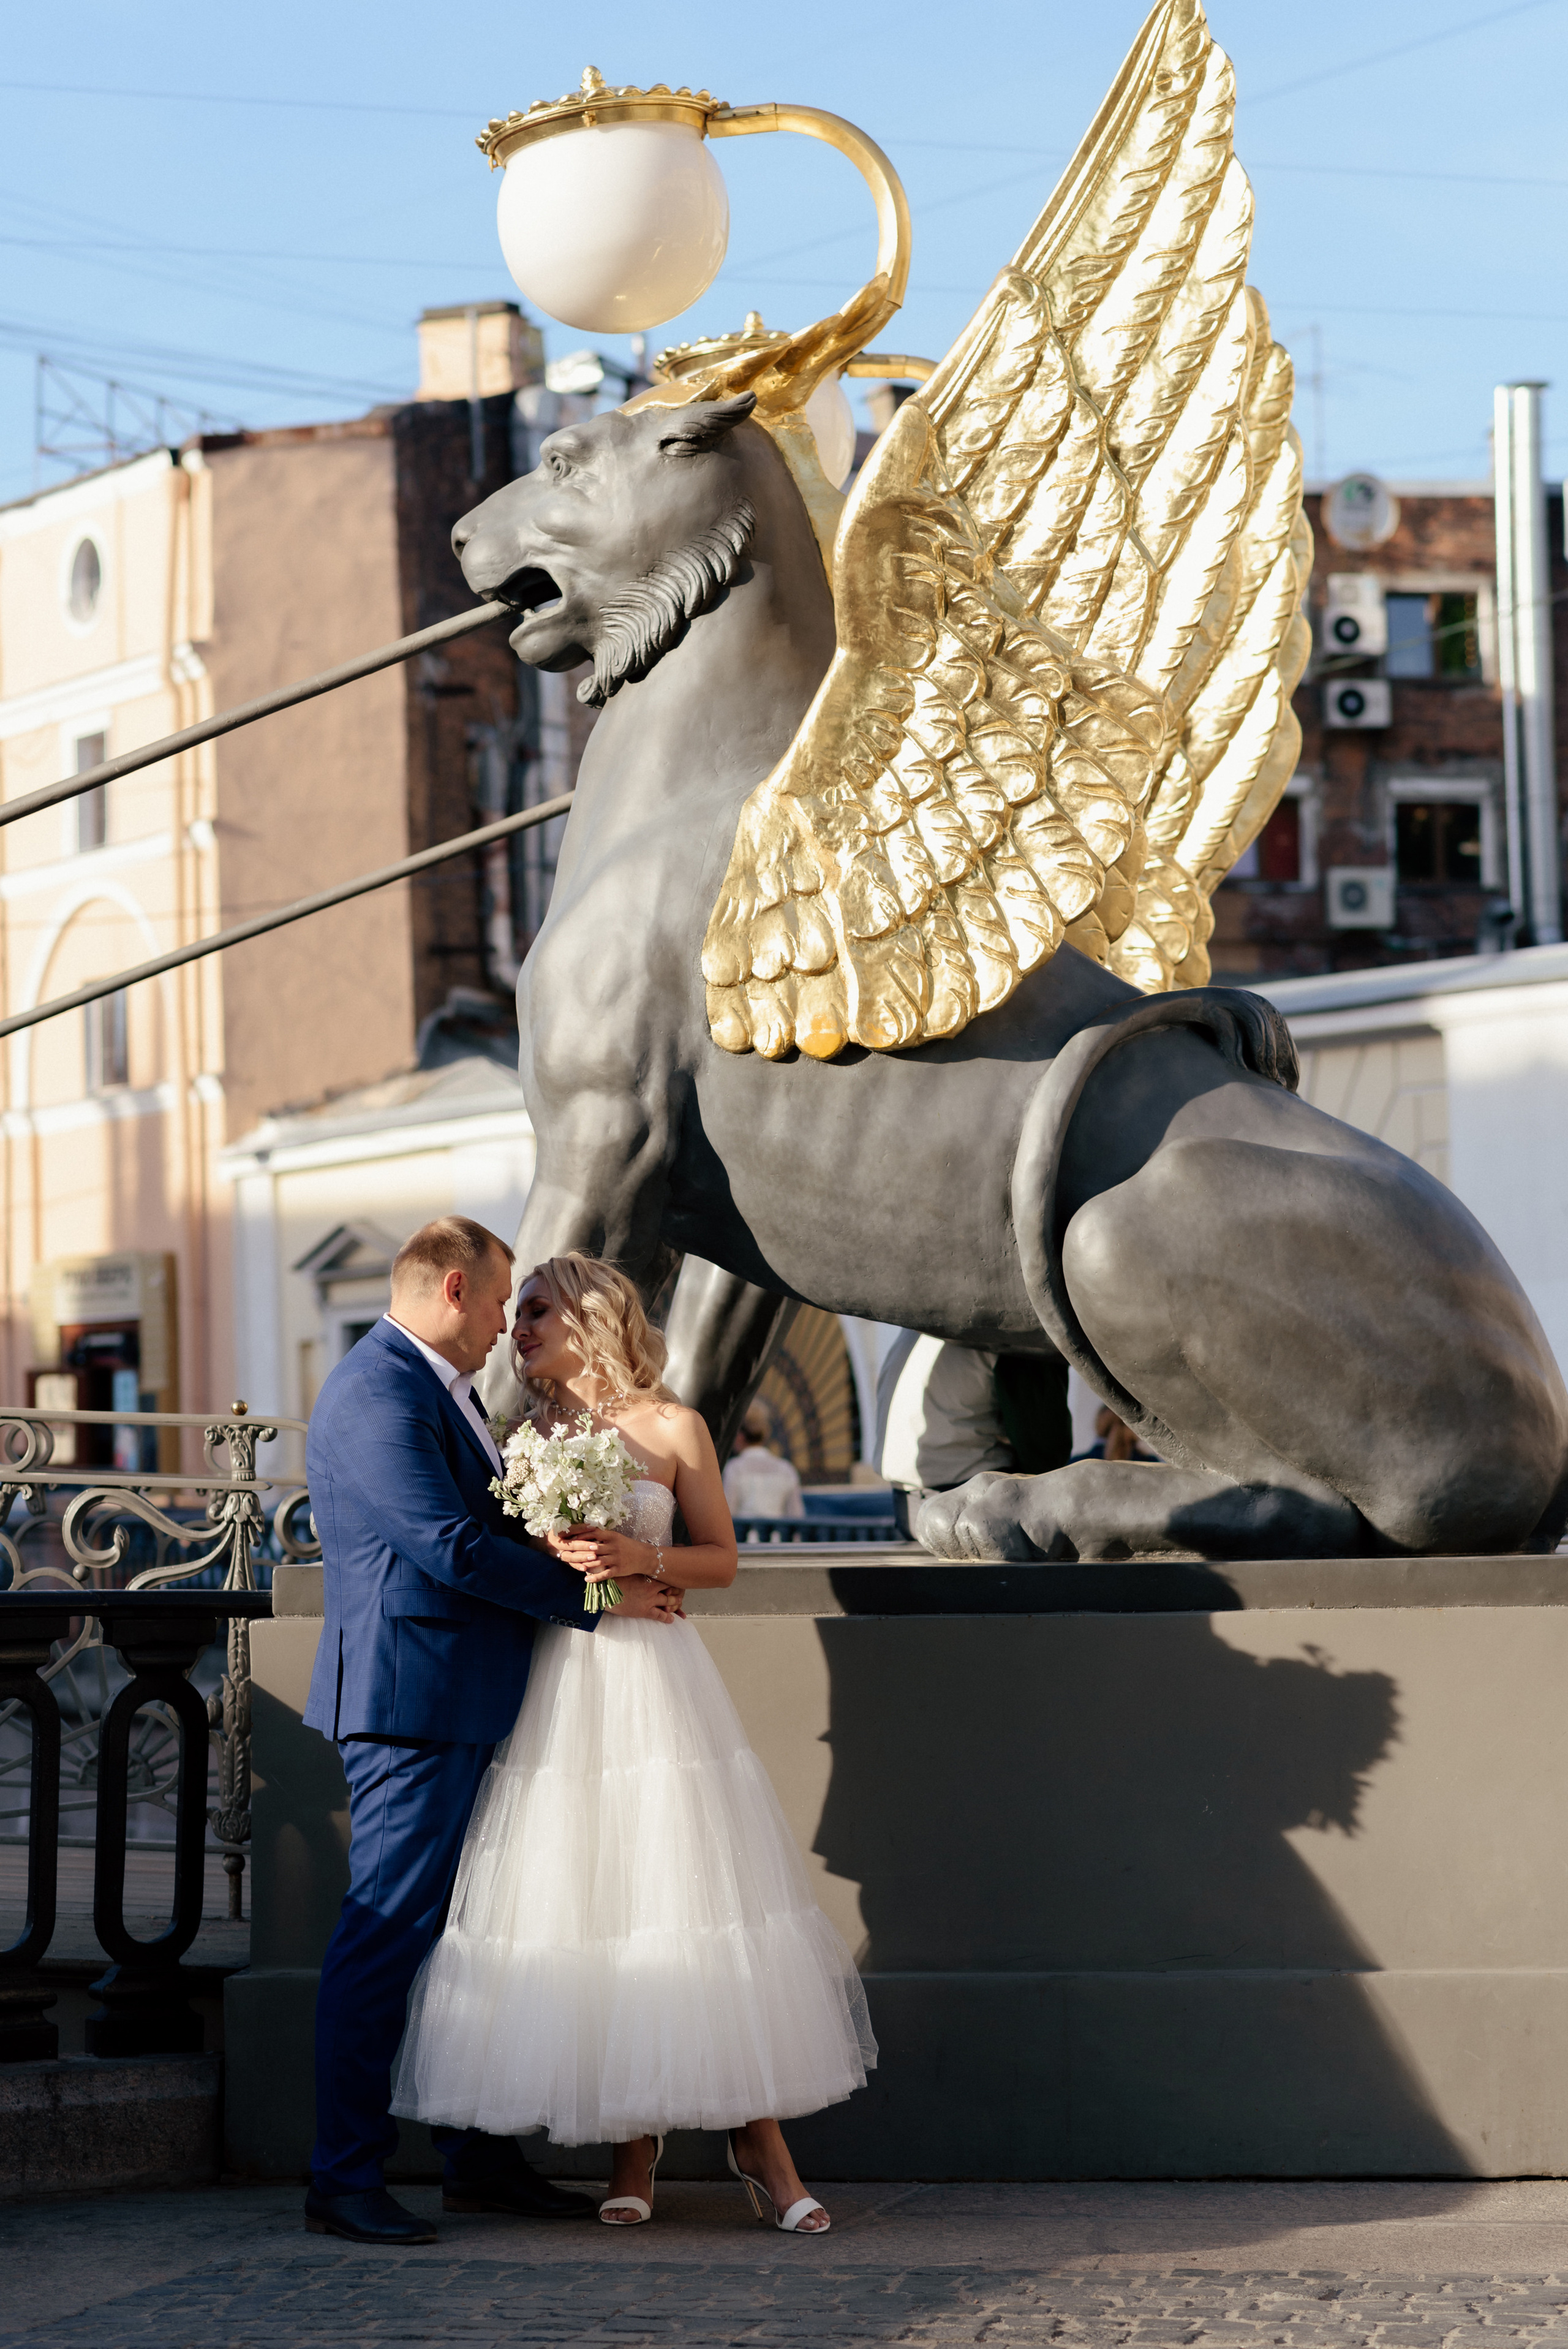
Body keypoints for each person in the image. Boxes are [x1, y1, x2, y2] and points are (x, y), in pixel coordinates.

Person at [392, 1252, 876, 2234]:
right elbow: (496, 1565)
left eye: (533, 1311)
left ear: (589, 1317)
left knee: (687, 1892)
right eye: (512, 1310)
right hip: (561, 1687)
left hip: (660, 1686)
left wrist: (639, 1557)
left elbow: (724, 1561)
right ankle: (630, 2144)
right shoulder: (517, 1437)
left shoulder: (675, 1425)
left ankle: (763, 2146)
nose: (515, 1327)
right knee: (593, 1898)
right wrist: (580, 1573)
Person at [302, 1216, 682, 2247]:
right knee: (385, 1933)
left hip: (461, 1697)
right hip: (410, 1705)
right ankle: (342, 2176)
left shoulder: (443, 1390)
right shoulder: (381, 1387)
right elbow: (446, 1545)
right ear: (456, 1287)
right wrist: (600, 1598)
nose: (509, 1326)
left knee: (461, 1935)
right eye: (504, 1301)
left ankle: (477, 2161)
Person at [722, 1404, 805, 1521]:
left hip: (744, 1538)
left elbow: (728, 1514)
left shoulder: (734, 1468)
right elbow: (796, 1516)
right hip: (779, 1538)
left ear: (740, 1436)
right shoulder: (786, 1469)